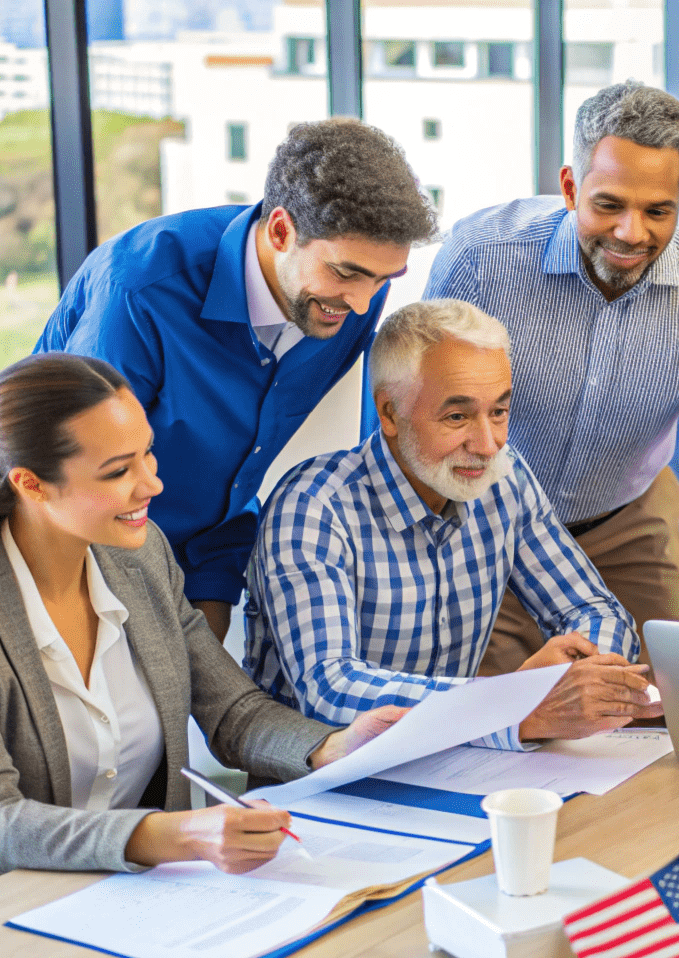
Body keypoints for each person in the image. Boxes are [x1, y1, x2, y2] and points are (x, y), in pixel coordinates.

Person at [0, 355, 401, 958]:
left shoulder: (141, 557)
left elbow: (232, 711)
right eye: (119, 470)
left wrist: (335, 745)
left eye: (147, 455)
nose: (151, 484)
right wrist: (177, 836)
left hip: (106, 904)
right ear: (32, 485)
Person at [34, 119, 436, 643]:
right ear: (280, 231)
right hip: (81, 561)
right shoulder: (139, 292)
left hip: (211, 558)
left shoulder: (354, 294)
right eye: (347, 274)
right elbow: (80, 482)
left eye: (384, 280)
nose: (363, 304)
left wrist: (214, 588)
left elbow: (238, 467)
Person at [424, 81, 679, 673]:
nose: (632, 233)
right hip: (486, 518)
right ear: (569, 187)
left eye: (658, 211)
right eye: (608, 204)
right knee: (502, 712)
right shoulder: (481, 256)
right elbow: (416, 415)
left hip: (626, 517)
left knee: (666, 690)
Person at [245, 299, 657, 753]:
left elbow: (596, 610)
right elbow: (331, 689)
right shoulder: (312, 506)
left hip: (460, 755)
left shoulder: (506, 478)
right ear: (389, 414)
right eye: (457, 417)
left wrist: (575, 675)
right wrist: (505, 701)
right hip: (324, 779)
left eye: (499, 411)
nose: (487, 444)